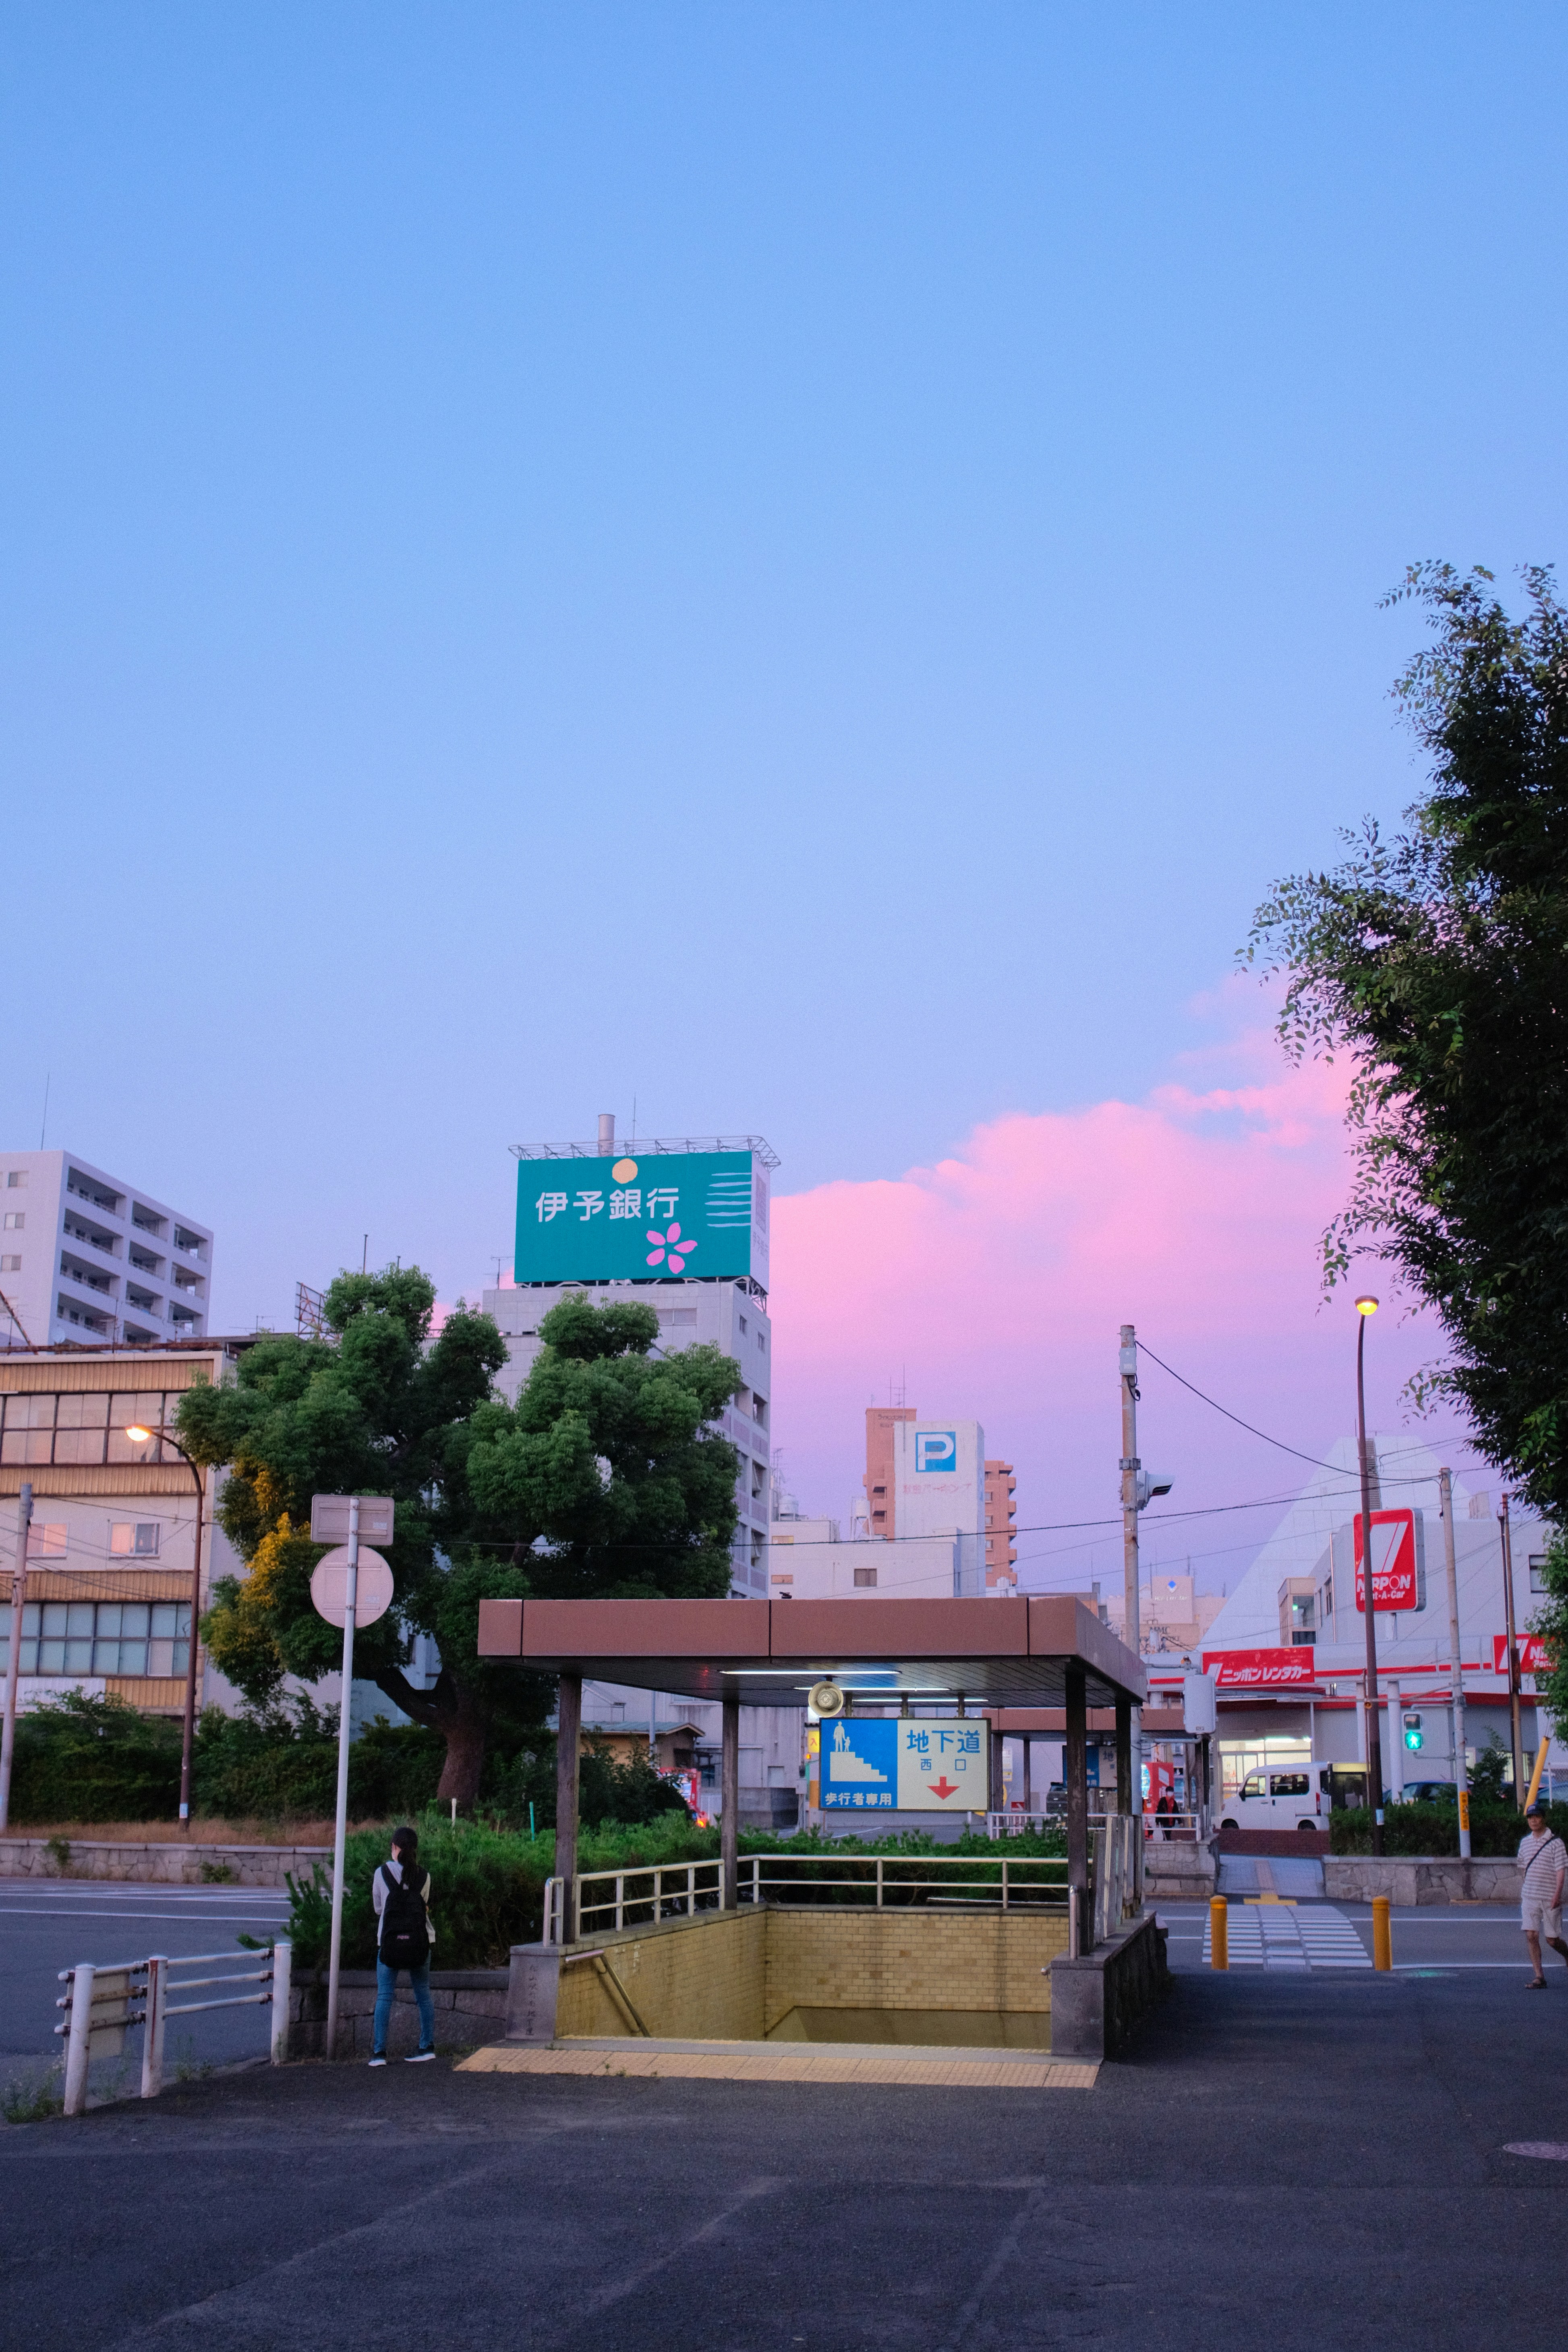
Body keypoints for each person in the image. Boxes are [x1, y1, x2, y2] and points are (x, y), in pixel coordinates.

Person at [369, 1824, 436, 2062]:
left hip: (389, 1943)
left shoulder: (381, 1874)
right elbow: (424, 1905)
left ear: (395, 1848)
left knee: (385, 1996)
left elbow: (379, 1909)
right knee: (424, 1995)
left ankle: (379, 2053)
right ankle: (427, 2047)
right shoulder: (425, 1876)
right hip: (421, 1941)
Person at [1517, 1802, 1568, 1989]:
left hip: (1549, 1897)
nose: (1534, 1820)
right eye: (1531, 1817)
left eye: (1537, 1817)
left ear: (1544, 1819)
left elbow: (1561, 1872)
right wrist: (1527, 1886)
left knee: (1552, 1940)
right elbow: (1522, 1867)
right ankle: (1539, 1977)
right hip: (1530, 1896)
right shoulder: (1525, 1842)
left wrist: (1558, 1895)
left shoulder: (1556, 1843)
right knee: (1531, 1935)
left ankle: (1567, 1954)